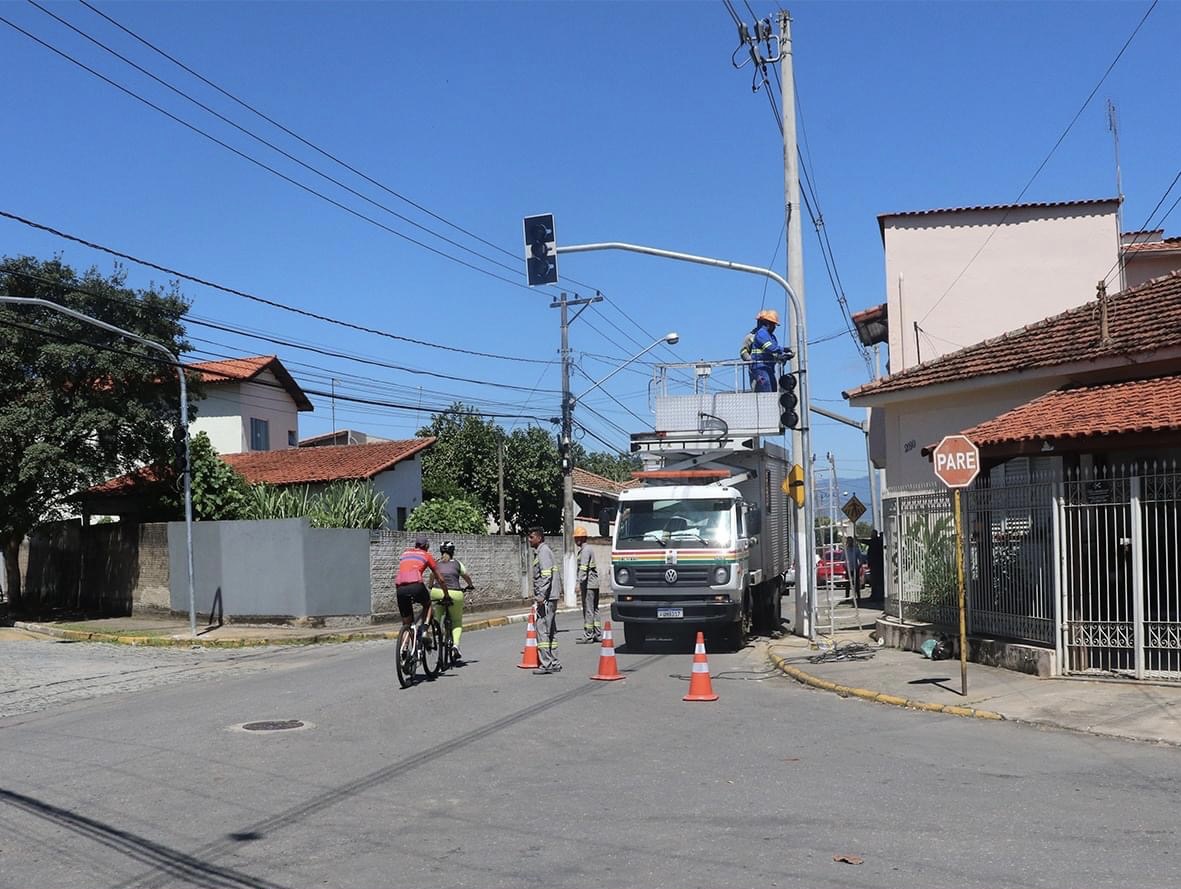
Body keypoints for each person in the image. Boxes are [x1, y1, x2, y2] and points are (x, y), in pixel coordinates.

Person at [395, 533, 448, 643]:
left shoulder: (405, 553)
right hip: (416, 586)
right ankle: (424, 631)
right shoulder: (426, 555)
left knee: (407, 623)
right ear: (426, 546)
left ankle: (404, 650)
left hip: (400, 588)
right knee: (428, 605)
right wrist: (446, 594)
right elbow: (440, 579)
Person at [428, 540, 473, 662]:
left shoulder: (436, 563)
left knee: (437, 618)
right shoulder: (457, 564)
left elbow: (432, 578)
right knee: (457, 621)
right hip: (455, 593)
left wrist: (431, 586)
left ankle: (438, 633)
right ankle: (455, 646)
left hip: (437, 592)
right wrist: (470, 585)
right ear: (453, 552)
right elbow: (466, 576)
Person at [527, 526, 562, 673]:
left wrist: (541, 595)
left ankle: (546, 664)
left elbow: (546, 575)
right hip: (550, 596)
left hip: (547, 597)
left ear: (539, 538)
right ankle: (554, 662)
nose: (529, 540)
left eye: (531, 537)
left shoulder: (543, 552)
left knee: (541, 629)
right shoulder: (543, 551)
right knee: (551, 630)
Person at [739, 308, 784, 392]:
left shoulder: (771, 337)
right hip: (757, 368)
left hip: (769, 367)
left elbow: (773, 351)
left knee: (772, 389)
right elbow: (743, 351)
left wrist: (780, 357)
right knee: (762, 386)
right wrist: (750, 360)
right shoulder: (750, 337)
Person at [573, 526, 601, 643]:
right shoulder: (588, 549)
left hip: (588, 584)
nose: (575, 540)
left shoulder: (585, 551)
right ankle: (598, 634)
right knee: (594, 609)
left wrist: (578, 583)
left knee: (588, 609)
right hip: (594, 584)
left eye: (576, 538)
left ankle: (588, 635)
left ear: (581, 538)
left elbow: (583, 568)